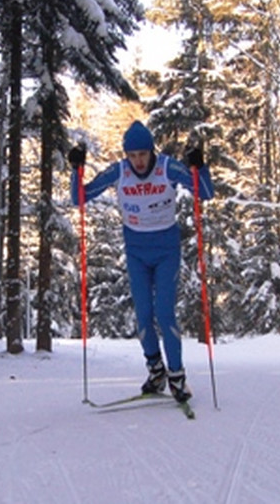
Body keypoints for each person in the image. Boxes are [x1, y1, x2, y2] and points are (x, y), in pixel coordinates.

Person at [68, 120, 214, 403]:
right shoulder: (120, 171)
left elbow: (205, 192)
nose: (138, 161)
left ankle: (177, 376)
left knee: (165, 313)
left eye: (142, 154)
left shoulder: (167, 168)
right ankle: (156, 370)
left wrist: (200, 166)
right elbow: (79, 198)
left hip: (166, 251)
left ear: (151, 152)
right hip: (136, 251)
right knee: (144, 317)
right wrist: (76, 170)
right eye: (132, 155)